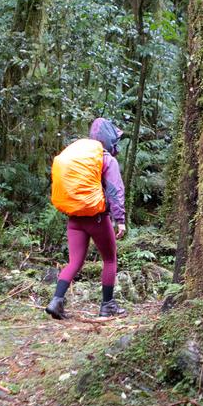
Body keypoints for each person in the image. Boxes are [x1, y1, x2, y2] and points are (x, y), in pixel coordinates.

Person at [46, 118, 127, 319]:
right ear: (109, 140)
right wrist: (120, 219)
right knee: (109, 259)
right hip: (97, 219)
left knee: (74, 262)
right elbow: (115, 191)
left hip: (74, 218)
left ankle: (56, 301)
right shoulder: (106, 159)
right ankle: (107, 305)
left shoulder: (80, 156)